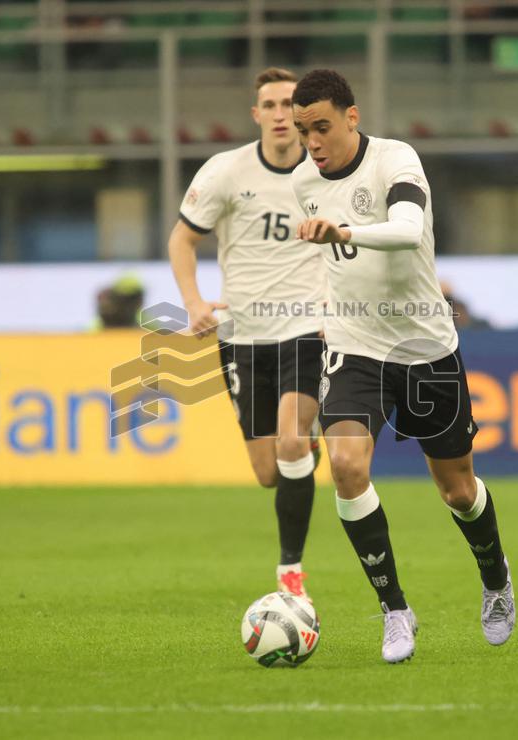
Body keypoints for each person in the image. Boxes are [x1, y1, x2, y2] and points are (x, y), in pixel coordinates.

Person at [290, 69, 515, 663]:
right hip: (355, 345)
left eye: (322, 127)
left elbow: (408, 230)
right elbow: (326, 260)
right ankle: (395, 610)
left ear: (351, 117)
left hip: (424, 347)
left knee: (458, 490)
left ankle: (495, 578)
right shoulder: (302, 183)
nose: (312, 141)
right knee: (343, 464)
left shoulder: (395, 160)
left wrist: (344, 230)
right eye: (302, 130)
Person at [168, 68, 327, 602]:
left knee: (287, 441)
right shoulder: (225, 172)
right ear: (256, 114)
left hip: (308, 328)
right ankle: (307, 446)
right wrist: (193, 303)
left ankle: (290, 573)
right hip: (243, 334)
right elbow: (182, 241)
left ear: (304, 115)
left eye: (290, 104)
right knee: (268, 471)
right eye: (271, 105)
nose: (282, 114)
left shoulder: (326, 174)